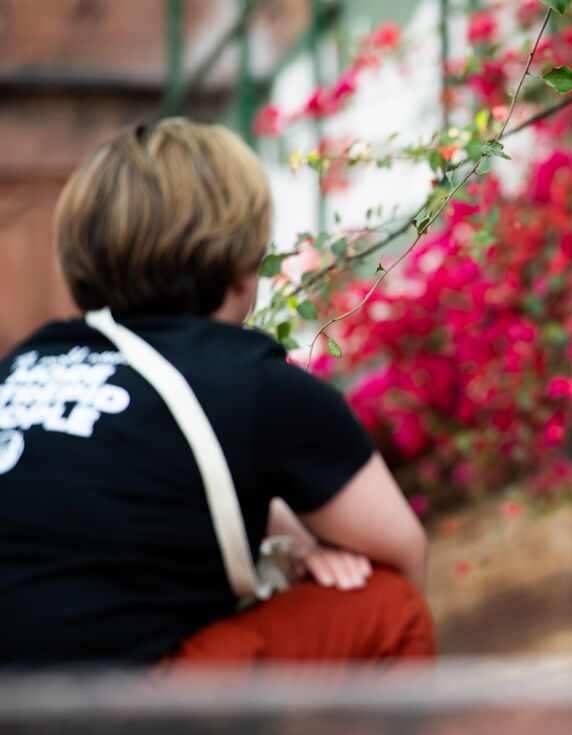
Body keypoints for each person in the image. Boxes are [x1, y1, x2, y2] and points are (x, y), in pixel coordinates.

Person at [0, 118, 433, 666]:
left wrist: (299, 544)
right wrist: (314, 554)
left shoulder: (23, 366)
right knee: (389, 606)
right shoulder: (253, 382)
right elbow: (401, 552)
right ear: (243, 263)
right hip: (105, 700)